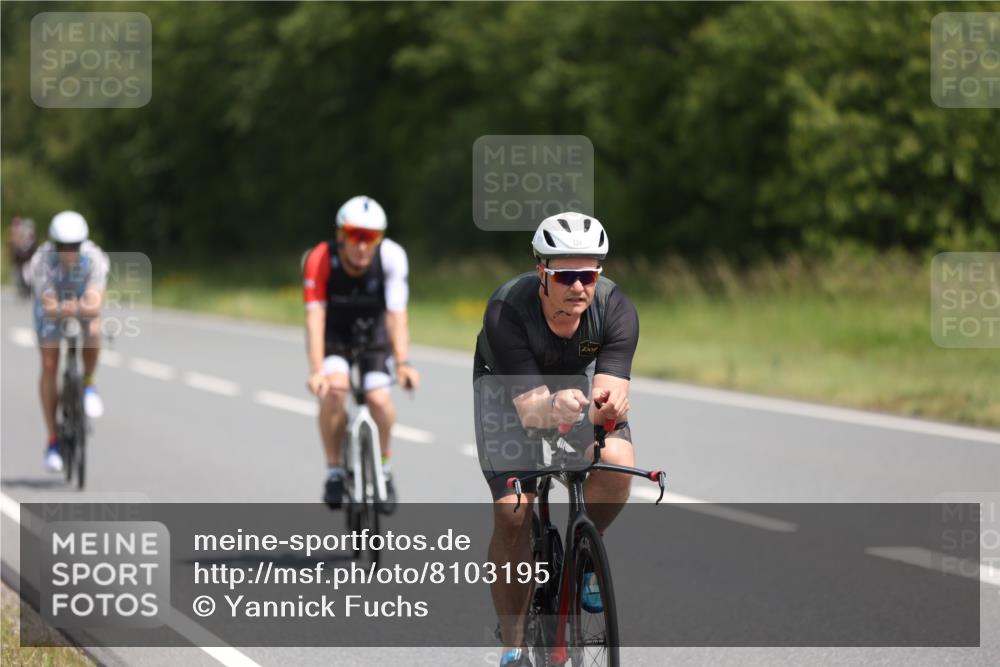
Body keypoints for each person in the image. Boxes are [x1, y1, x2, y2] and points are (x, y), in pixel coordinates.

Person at [472, 212, 639, 667]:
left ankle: (585, 558)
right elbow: (531, 411)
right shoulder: (507, 309)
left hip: (576, 387)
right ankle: (513, 645)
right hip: (507, 389)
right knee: (513, 512)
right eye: (566, 275)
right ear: (542, 270)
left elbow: (610, 392)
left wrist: (606, 409)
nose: (578, 286)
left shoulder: (616, 308)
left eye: (588, 274)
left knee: (617, 460)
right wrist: (553, 407)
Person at [302, 195, 419, 512]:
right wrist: (316, 371)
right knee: (335, 392)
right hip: (335, 337)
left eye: (371, 237)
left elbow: (397, 315)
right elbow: (314, 317)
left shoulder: (392, 256)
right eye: (356, 235)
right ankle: (334, 470)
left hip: (373, 336)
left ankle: (384, 467)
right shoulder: (320, 258)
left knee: (380, 398)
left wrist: (403, 363)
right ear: (341, 234)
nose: (363, 245)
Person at [29, 211, 109, 472]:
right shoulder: (41, 261)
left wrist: (79, 307)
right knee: (50, 363)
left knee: (94, 327)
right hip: (52, 309)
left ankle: (87, 384)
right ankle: (53, 440)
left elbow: (95, 302)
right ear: (54, 245)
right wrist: (65, 307)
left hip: (80, 303)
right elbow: (49, 306)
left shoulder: (95, 257)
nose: (69, 251)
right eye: (63, 246)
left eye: (74, 245)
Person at [8, 216, 38, 297]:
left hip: (29, 263)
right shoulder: (19, 240)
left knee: (29, 276)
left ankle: (28, 289)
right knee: (20, 275)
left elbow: (32, 252)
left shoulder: (32, 242)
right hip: (20, 263)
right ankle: (23, 289)